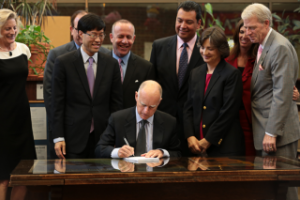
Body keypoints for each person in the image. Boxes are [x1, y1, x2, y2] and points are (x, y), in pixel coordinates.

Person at [242, 4, 300, 199]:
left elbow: (282, 94)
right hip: (267, 131)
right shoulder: (264, 45)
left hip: (277, 135)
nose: (247, 32)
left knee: (284, 187)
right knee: (270, 188)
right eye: (245, 27)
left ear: (266, 23)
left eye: (252, 27)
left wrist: (271, 132)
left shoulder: (279, 47)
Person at [51, 14, 123, 159]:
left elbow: (116, 104)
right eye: (93, 35)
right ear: (80, 34)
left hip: (103, 137)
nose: (98, 40)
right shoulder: (64, 63)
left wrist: (117, 136)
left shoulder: (111, 64)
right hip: (72, 138)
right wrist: (58, 137)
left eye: (101, 35)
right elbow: (57, 104)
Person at [225, 20, 300, 156]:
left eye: (249, 32)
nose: (245, 35)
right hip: (231, 119)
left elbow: (279, 86)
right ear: (237, 34)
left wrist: (292, 93)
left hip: (256, 120)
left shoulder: (261, 58)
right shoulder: (226, 60)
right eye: (242, 32)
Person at [150, 1, 204, 156]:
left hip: (194, 127)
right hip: (163, 122)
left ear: (199, 23)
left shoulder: (206, 50)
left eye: (189, 22)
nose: (183, 25)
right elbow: (153, 84)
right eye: (179, 20)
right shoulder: (159, 46)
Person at [184, 26, 244, 156]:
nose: (205, 52)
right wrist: (189, 136)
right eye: (202, 47)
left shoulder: (232, 74)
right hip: (196, 145)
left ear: (221, 50)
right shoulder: (195, 73)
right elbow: (188, 108)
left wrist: (209, 139)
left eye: (210, 49)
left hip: (224, 146)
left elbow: (228, 112)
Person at [0, 9, 36, 200]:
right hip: (2, 122)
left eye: (14, 28)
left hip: (22, 119)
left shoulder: (23, 49)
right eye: (7, 29)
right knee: (3, 178)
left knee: (23, 175)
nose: (12, 32)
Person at [95, 80, 181, 159]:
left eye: (152, 107)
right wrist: (118, 152)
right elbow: (100, 149)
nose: (146, 111)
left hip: (155, 173)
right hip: (126, 172)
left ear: (159, 102)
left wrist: (162, 152)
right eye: (143, 104)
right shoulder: (118, 119)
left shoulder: (169, 122)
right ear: (136, 96)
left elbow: (178, 153)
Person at [108, 19, 155, 108]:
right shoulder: (100, 63)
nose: (125, 41)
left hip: (131, 120)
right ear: (111, 37)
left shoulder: (146, 68)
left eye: (128, 37)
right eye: (120, 36)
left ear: (133, 39)